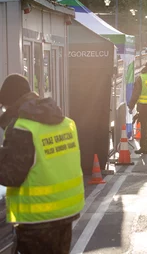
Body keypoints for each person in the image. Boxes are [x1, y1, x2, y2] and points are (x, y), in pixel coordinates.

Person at [0, 74, 85, 254]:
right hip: (65, 214)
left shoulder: (22, 129)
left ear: (12, 103)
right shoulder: (65, 123)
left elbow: (10, 176)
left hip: (37, 220)